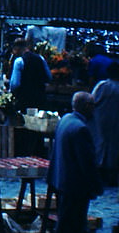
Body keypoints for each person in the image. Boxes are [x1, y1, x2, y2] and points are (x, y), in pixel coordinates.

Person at [48, 92, 103, 233]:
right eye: (93, 105)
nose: (94, 109)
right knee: (73, 224)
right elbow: (87, 163)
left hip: (61, 181)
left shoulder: (65, 119)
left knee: (65, 222)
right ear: (86, 106)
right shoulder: (81, 129)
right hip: (74, 186)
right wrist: (96, 186)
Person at [91, 61, 119, 186]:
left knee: (99, 145)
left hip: (99, 120)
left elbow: (92, 100)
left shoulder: (103, 85)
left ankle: (97, 173)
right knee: (112, 148)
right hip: (115, 122)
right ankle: (111, 175)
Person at [9, 38, 51, 112]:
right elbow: (49, 77)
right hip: (40, 100)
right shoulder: (41, 58)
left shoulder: (19, 61)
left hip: (24, 101)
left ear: (17, 48)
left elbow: (15, 84)